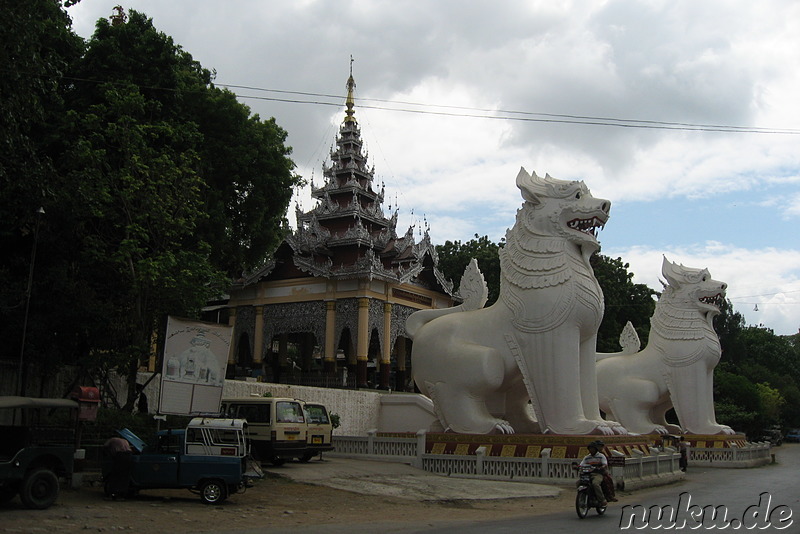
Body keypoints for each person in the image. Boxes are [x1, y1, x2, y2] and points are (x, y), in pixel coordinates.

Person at [579, 440, 616, 506]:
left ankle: (602, 500)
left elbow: (605, 464)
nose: (591, 450)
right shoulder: (587, 457)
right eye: (590, 449)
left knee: (595, 484)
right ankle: (582, 498)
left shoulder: (601, 456)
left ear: (595, 449)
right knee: (579, 483)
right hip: (587, 474)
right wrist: (576, 466)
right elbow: (581, 464)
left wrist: (601, 467)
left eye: (592, 449)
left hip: (597, 474)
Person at [104, 436, 133, 501]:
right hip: (129, 455)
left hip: (120, 455)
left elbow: (107, 448)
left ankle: (112, 494)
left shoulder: (111, 441)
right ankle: (121, 495)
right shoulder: (125, 440)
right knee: (125, 476)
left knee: (115, 475)